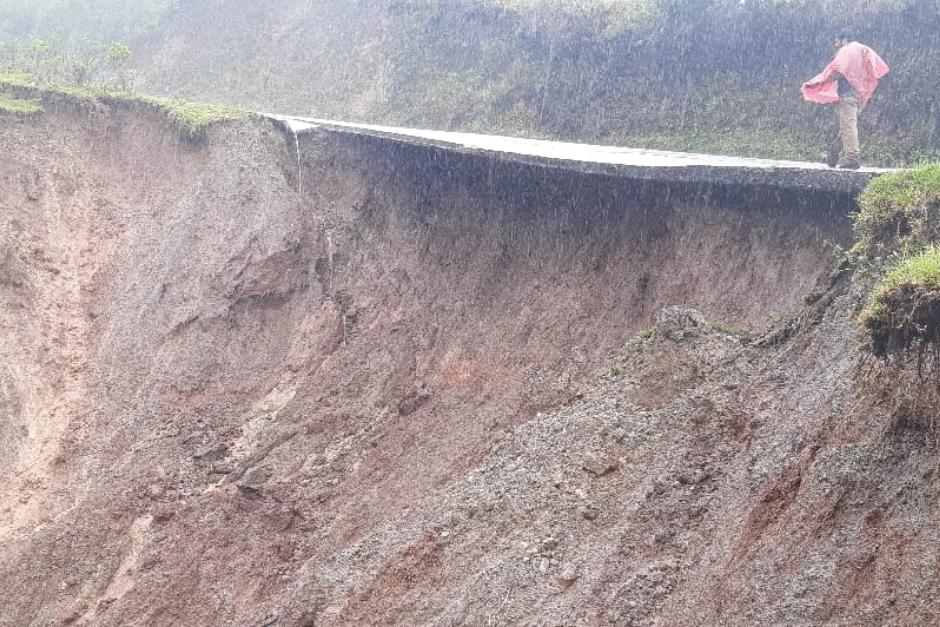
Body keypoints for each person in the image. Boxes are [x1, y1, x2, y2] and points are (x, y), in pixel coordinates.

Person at [801, 30, 889, 169]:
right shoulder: (864, 49)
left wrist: (819, 81)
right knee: (847, 126)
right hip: (860, 94)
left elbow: (835, 69)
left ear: (844, 39)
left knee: (848, 126)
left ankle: (852, 157)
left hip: (848, 94)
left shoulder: (846, 50)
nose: (836, 45)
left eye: (837, 41)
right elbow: (875, 67)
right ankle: (833, 155)